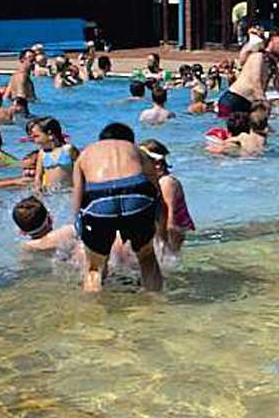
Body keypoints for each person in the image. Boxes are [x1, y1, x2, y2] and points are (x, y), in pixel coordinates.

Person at [72, 122, 166, 292]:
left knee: (94, 267)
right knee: (147, 258)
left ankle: (92, 312)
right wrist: (160, 227)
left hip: (99, 200)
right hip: (136, 196)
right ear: (130, 140)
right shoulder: (135, 150)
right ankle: (156, 305)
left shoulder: (85, 153)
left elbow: (78, 197)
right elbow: (157, 191)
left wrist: (80, 227)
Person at [139, 139, 195, 253]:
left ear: (158, 164)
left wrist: (166, 249)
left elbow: (170, 218)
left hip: (174, 233)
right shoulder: (157, 182)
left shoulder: (166, 182)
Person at [26, 116, 78, 192]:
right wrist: (37, 190)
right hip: (50, 193)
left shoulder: (68, 149)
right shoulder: (42, 153)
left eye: (36, 136)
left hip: (68, 191)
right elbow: (38, 176)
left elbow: (80, 170)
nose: (33, 140)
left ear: (50, 134)